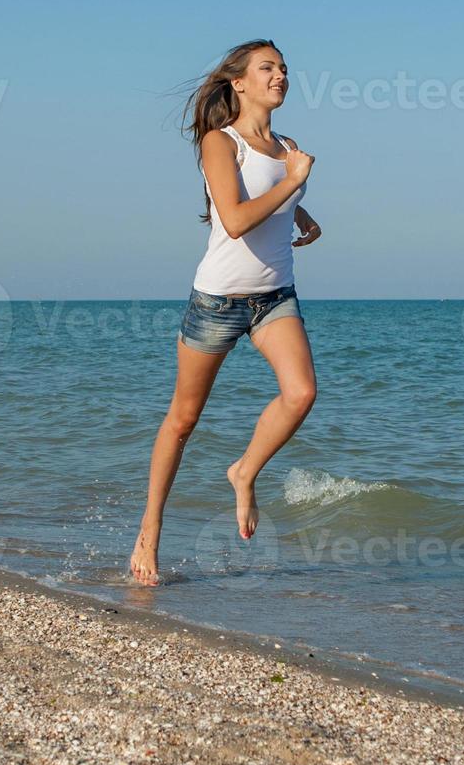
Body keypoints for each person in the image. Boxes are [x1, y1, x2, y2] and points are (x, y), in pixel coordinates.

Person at [129, 40, 323, 586]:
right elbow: (234, 218)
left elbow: (268, 189)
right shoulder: (221, 142)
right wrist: (292, 183)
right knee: (183, 419)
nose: (280, 76)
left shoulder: (286, 146)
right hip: (217, 301)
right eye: (268, 68)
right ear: (239, 82)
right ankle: (149, 533)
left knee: (301, 393)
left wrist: (300, 210)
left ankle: (243, 472)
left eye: (284, 68)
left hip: (274, 297)